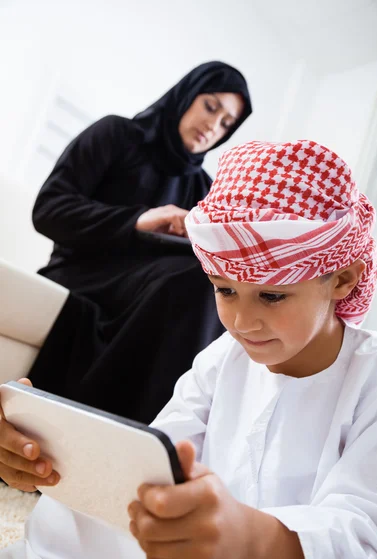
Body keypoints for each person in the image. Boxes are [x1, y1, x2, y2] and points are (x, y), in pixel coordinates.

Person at [1, 140, 377, 559]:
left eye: (271, 296)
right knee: (66, 515)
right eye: (224, 290)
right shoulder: (221, 357)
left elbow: (368, 535)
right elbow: (158, 459)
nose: (242, 322)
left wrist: (250, 541)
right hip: (202, 552)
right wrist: (51, 456)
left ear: (343, 278)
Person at [28, 61, 252, 424]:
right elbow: (49, 209)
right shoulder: (117, 134)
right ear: (186, 95)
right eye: (211, 106)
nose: (213, 125)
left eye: (227, 123)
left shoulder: (203, 187)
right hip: (81, 271)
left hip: (151, 285)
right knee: (191, 284)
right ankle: (110, 429)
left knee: (211, 284)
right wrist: (138, 221)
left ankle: (156, 439)